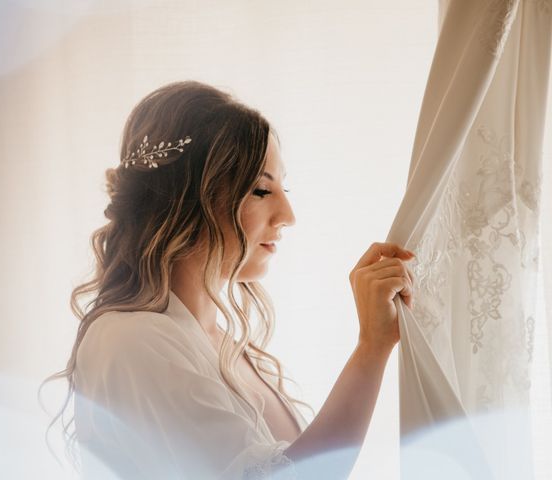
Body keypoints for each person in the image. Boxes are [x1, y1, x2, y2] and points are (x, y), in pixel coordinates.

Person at [41, 80, 415, 480]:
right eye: (260, 189)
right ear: (185, 201)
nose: (287, 214)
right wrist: (371, 349)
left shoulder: (223, 344)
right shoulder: (130, 340)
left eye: (282, 187)